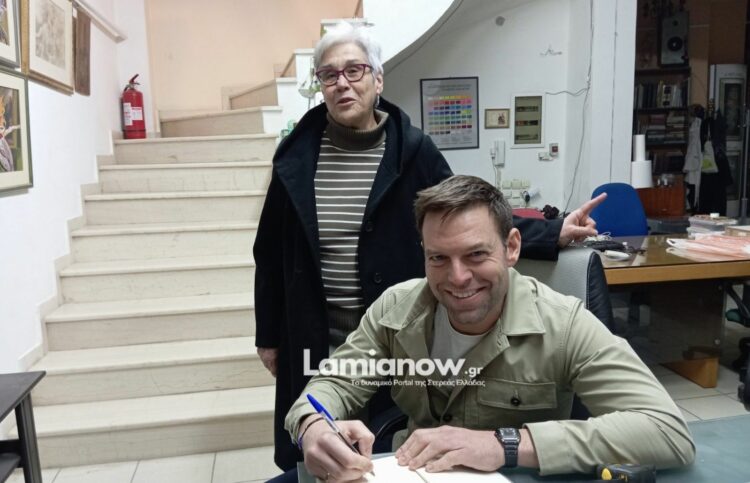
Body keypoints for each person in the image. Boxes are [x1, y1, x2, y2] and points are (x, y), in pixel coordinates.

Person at [254, 21, 606, 471]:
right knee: (315, 439)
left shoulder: (412, 149)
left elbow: (467, 214)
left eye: (354, 70)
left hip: (390, 329)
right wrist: (269, 336)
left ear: (378, 79)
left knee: (385, 442)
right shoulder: (295, 156)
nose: (342, 83)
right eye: (329, 74)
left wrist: (552, 232)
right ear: (320, 85)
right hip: (313, 328)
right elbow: (268, 252)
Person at [285, 176, 695, 482]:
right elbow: (333, 382)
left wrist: (506, 444)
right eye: (438, 258)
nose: (457, 277)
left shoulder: (564, 324)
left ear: (511, 247)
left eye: (476, 254)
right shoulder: (396, 308)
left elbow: (666, 430)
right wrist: (312, 427)